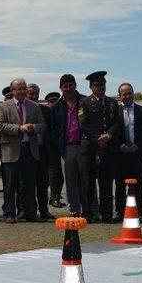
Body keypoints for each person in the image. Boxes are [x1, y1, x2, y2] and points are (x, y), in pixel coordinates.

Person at [0, 78, 45, 223]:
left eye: (24, 88)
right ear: (12, 91)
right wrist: (18, 129)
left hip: (29, 150)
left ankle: (30, 212)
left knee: (29, 183)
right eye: (19, 89)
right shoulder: (3, 107)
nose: (22, 91)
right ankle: (9, 212)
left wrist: (32, 128)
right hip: (11, 150)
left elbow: (42, 125)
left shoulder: (34, 106)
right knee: (10, 184)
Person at [78, 71, 124, 223]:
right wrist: (97, 139)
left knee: (106, 183)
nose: (101, 88)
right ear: (91, 87)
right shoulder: (84, 102)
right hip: (90, 148)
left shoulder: (112, 103)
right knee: (88, 183)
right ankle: (89, 213)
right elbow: (83, 124)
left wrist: (108, 136)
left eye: (103, 85)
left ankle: (107, 214)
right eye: (97, 85)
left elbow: (117, 123)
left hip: (108, 148)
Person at [51, 74, 87, 217]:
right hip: (68, 147)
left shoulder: (85, 101)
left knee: (86, 179)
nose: (68, 88)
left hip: (84, 144)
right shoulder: (56, 106)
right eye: (65, 86)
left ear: (75, 85)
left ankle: (89, 209)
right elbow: (53, 129)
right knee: (71, 180)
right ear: (61, 88)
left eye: (70, 85)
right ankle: (74, 210)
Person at [115, 82, 142, 222]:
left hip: (137, 152)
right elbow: (114, 132)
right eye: (124, 94)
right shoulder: (115, 111)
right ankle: (120, 212)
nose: (127, 96)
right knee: (120, 185)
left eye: (130, 93)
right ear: (120, 96)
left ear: (133, 93)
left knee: (138, 184)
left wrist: (137, 146)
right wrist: (121, 145)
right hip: (121, 153)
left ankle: (140, 213)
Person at [26, 83, 56, 220]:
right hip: (27, 150)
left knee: (43, 183)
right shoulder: (23, 109)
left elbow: (51, 130)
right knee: (27, 183)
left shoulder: (46, 110)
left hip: (43, 150)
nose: (33, 96)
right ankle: (27, 211)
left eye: (36, 94)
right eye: (31, 93)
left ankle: (44, 210)